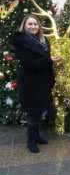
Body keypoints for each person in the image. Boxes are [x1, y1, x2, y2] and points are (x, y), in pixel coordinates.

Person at [12, 14, 61, 153]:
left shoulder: (43, 40)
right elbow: (29, 64)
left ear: (39, 26)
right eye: (30, 24)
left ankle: (37, 136)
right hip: (30, 83)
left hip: (43, 81)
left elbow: (46, 61)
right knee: (33, 113)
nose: (33, 26)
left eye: (35, 24)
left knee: (39, 111)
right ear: (25, 26)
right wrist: (50, 60)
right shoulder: (21, 41)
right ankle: (31, 141)